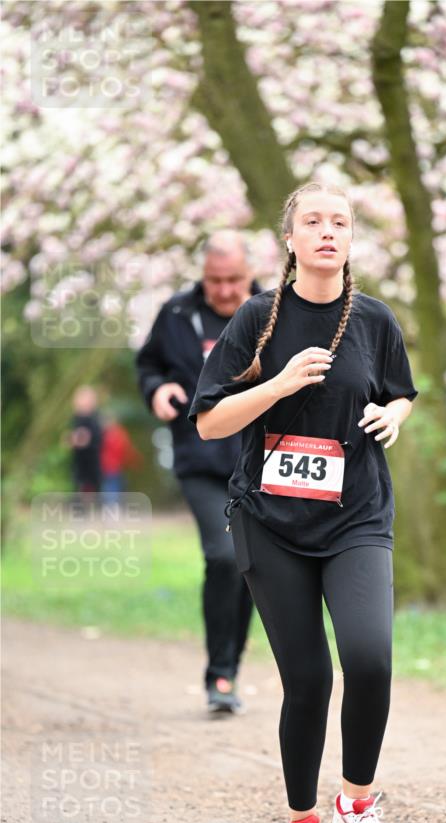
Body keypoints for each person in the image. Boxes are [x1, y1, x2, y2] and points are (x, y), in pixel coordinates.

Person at [189, 183, 418, 823]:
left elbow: (400, 389)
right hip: (270, 522)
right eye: (311, 221)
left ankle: (356, 804)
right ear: (288, 240)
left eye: (340, 222)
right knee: (309, 680)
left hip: (356, 516)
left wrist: (395, 416)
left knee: (370, 657)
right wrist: (279, 383)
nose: (327, 231)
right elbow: (208, 420)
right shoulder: (257, 318)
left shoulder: (374, 320)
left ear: (350, 241)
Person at [136, 232, 259, 713]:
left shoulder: (275, 312)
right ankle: (220, 676)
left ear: (249, 274)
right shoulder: (176, 312)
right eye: (216, 280)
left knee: (253, 567)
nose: (226, 290)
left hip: (261, 462)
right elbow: (148, 363)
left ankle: (229, 671)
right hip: (201, 462)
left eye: (234, 280)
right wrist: (157, 389)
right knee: (225, 556)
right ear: (203, 275)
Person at [100, 413, 143, 503]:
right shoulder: (115, 433)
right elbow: (127, 449)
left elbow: (126, 449)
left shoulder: (111, 434)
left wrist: (134, 460)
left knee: (112, 487)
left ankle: (112, 507)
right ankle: (112, 507)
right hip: (109, 467)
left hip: (112, 467)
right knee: (112, 487)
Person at [69, 385, 103, 498]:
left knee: (93, 484)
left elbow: (95, 437)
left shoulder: (94, 418)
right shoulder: (76, 418)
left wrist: (82, 439)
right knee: (79, 483)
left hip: (92, 459)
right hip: (79, 460)